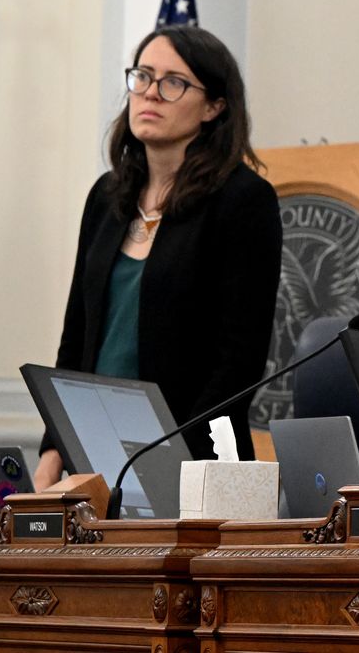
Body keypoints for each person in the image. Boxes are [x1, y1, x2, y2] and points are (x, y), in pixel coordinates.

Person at [35, 25, 281, 489]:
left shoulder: (243, 200)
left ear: (214, 107)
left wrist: (166, 464)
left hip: (193, 465)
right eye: (143, 76)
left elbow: (238, 364)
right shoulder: (107, 198)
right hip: (91, 456)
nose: (151, 93)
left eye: (174, 83)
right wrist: (53, 449)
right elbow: (76, 341)